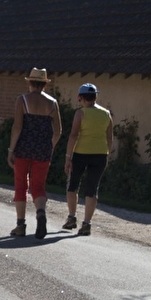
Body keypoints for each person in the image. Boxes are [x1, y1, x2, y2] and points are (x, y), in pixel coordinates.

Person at [6, 68, 63, 238]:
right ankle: (40, 213)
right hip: (43, 150)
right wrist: (50, 146)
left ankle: (21, 224)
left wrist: (11, 149)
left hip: (23, 148)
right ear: (45, 84)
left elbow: (17, 127)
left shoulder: (22, 100)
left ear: (30, 83)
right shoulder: (52, 103)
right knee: (38, 186)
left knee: (21, 185)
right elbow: (58, 131)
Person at [63, 82, 114, 236]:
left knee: (73, 185)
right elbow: (109, 137)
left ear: (81, 98)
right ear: (95, 97)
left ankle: (72, 217)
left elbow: (73, 135)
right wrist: (107, 154)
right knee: (92, 189)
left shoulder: (80, 113)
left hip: (80, 153)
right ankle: (87, 224)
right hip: (100, 155)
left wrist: (68, 157)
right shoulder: (106, 114)